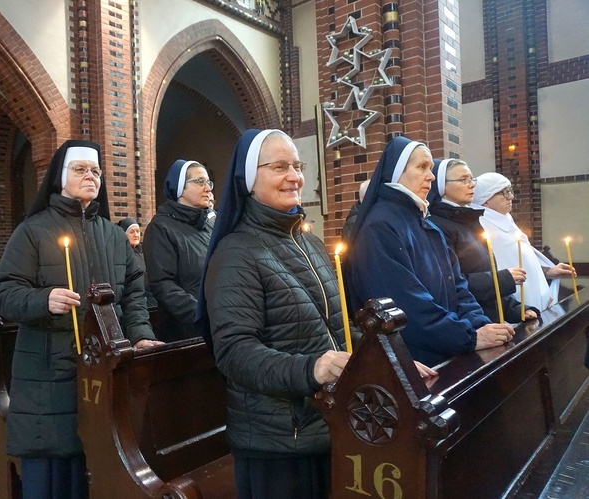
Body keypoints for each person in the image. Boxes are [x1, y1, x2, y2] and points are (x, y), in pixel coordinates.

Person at [196, 129, 436, 499]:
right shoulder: (235, 253)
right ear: (248, 179)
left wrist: (393, 363)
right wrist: (312, 369)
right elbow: (234, 352)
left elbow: (338, 327)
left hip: (330, 421)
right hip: (278, 442)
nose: (294, 176)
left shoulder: (307, 240)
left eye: (297, 165)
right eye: (279, 167)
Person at [0, 140, 162, 499]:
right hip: (50, 371)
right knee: (56, 467)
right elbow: (4, 293)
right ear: (60, 176)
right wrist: (43, 299)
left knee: (100, 462)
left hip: (104, 367)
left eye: (96, 170)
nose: (91, 176)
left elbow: (134, 293)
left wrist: (141, 334)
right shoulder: (33, 230)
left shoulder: (114, 235)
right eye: (81, 169)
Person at [347, 136, 515, 367]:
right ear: (397, 172)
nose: (431, 176)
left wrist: (479, 324)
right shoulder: (381, 227)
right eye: (422, 167)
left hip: (450, 349)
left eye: (432, 169)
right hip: (421, 361)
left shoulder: (427, 224)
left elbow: (458, 286)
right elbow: (406, 305)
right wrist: (467, 336)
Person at [427, 160, 538, 323]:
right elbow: (449, 283)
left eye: (472, 179)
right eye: (463, 180)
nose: (471, 185)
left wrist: (515, 308)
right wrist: (503, 279)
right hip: (467, 323)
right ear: (441, 186)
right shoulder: (437, 227)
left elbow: (486, 270)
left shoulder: (469, 221)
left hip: (488, 320)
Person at [473, 172, 575, 311]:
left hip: (532, 299)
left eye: (510, 190)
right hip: (512, 306)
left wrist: (548, 271)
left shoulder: (506, 219)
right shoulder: (482, 225)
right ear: (485, 200)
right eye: (504, 192)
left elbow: (523, 260)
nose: (511, 196)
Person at [143, 159, 213, 341]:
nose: (208, 188)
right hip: (187, 333)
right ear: (180, 188)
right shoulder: (161, 228)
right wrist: (201, 316)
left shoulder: (210, 227)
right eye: (199, 182)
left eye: (208, 182)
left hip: (221, 324)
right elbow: (163, 284)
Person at [117, 216, 157, 307]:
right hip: (132, 299)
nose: (136, 235)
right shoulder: (120, 254)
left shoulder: (146, 251)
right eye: (132, 232)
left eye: (138, 231)